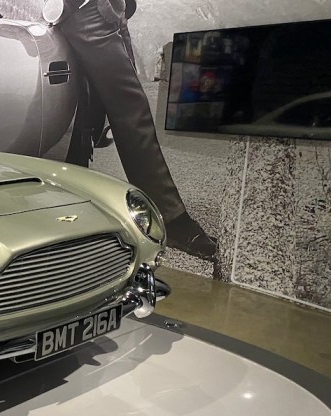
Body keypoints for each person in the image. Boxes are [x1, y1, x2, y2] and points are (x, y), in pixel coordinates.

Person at [53, 0, 217, 260]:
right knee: (130, 107)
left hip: (104, 9)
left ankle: (71, 206)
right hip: (87, 11)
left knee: (92, 105)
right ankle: (170, 217)